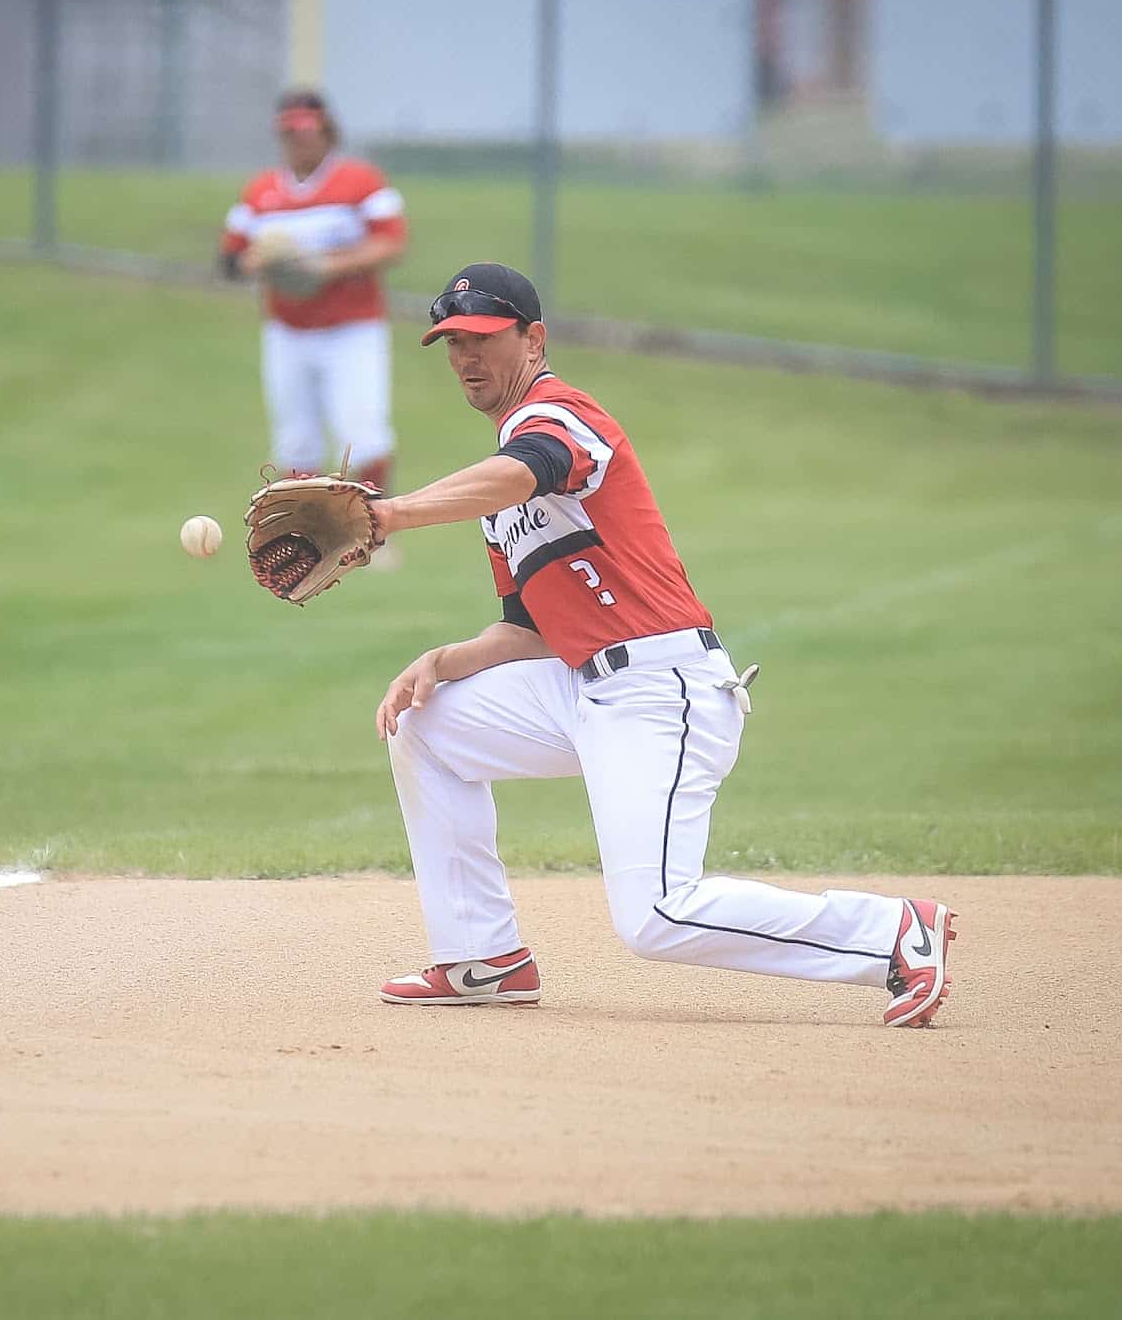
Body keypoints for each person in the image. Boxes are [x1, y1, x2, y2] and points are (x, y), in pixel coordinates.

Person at [367, 261, 955, 1028]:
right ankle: (484, 957)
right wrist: (443, 662)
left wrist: (391, 515)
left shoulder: (561, 415)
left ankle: (891, 936)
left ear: (534, 339)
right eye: (452, 342)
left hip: (662, 686)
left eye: (482, 338)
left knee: (656, 915)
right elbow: (529, 630)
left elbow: (525, 472)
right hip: (584, 688)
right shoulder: (496, 496)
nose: (465, 358)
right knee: (426, 724)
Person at [219, 90, 407, 495]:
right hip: (288, 331)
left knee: (365, 435)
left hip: (352, 329)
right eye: (289, 134)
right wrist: (263, 261)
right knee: (297, 442)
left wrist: (327, 266)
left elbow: (391, 242)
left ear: (327, 133)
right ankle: (306, 540)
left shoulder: (359, 181)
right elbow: (230, 259)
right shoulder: (260, 192)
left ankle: (376, 531)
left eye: (306, 132)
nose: (298, 141)